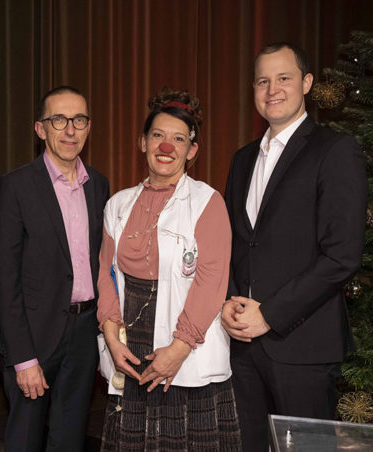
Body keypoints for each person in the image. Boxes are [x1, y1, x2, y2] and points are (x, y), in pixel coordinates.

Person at [222, 42, 367, 451]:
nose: (273, 90)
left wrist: (269, 314)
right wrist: (228, 302)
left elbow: (341, 256)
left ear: (306, 83)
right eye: (262, 81)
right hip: (242, 347)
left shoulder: (335, 150)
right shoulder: (242, 159)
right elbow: (234, 243)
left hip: (303, 347)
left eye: (284, 78)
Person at [97, 88, 241, 451]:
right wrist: (112, 336)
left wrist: (178, 348)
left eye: (178, 139)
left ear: (192, 151)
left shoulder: (208, 202)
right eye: (158, 135)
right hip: (131, 348)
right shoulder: (117, 205)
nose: (166, 146)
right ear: (142, 142)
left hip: (185, 346)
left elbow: (211, 282)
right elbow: (106, 274)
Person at [0, 86, 109, 451]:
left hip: (84, 333)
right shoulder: (15, 186)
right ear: (40, 128)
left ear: (89, 127)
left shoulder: (99, 185)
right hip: (34, 335)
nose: (70, 130)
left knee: (70, 438)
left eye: (79, 120)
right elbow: (5, 278)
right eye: (59, 119)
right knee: (25, 439)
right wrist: (22, 357)